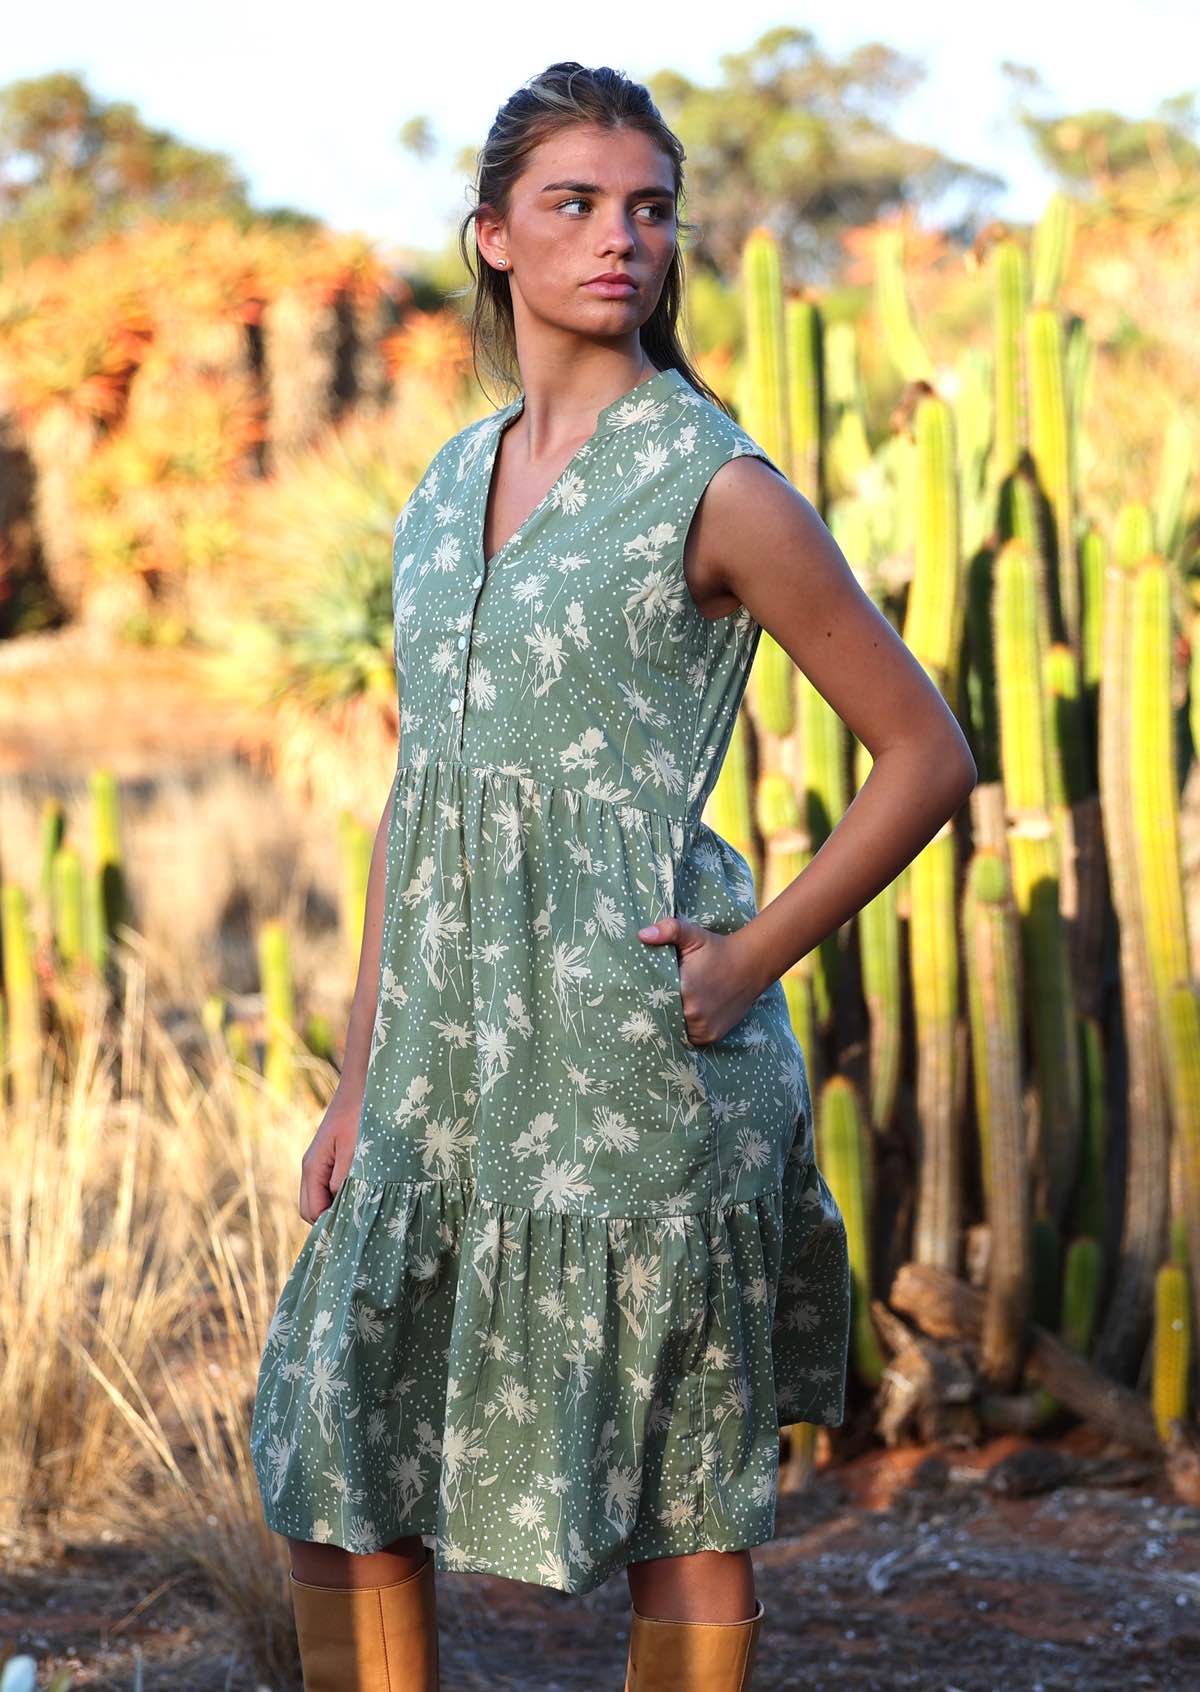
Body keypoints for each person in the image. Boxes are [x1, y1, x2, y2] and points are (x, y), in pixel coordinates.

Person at [249, 59, 977, 1692]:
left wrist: (749, 960)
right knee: (338, 1460)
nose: (620, 238)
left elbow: (927, 756)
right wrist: (359, 1079)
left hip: (631, 1067)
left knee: (681, 1502)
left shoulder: (717, 486)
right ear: (494, 236)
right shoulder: (448, 485)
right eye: (575, 203)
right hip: (439, 1074)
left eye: (650, 209)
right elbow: (423, 797)